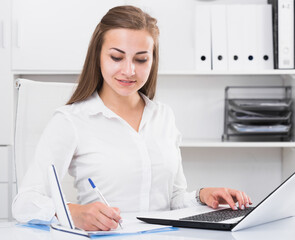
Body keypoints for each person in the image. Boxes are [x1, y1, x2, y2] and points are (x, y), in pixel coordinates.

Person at [12, 5, 252, 231]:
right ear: (98, 56)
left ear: (153, 60)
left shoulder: (163, 116)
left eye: (141, 59)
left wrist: (202, 196)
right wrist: (72, 212)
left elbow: (173, 199)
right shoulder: (71, 120)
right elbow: (24, 204)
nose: (129, 70)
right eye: (116, 57)